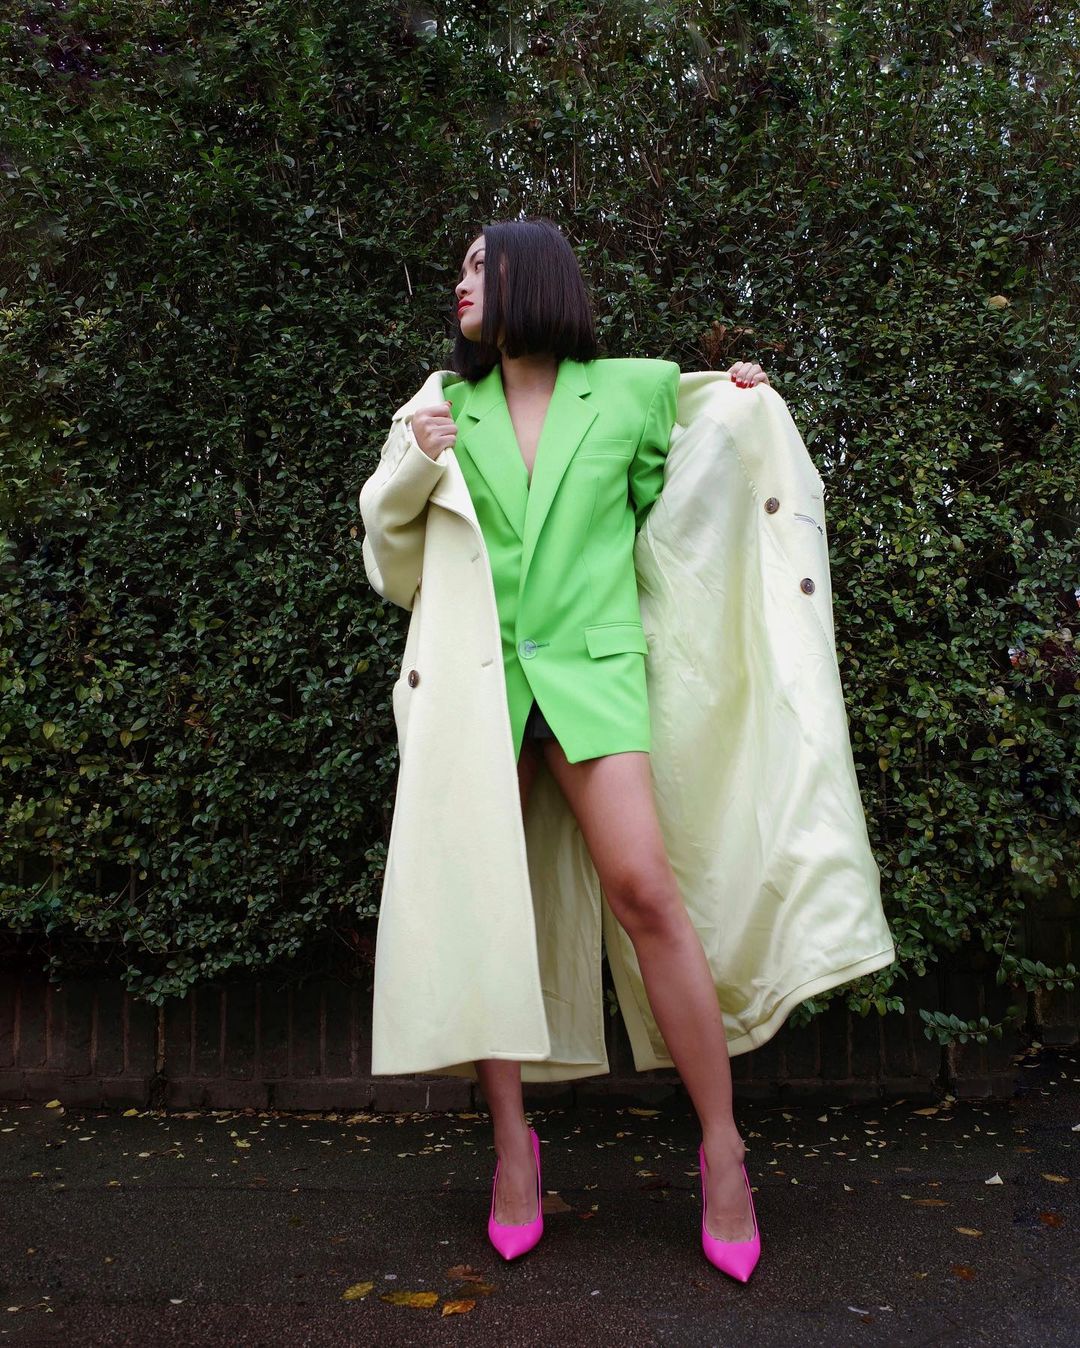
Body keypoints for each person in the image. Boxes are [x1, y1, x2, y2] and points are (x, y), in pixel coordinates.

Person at [397, 217, 769, 1278]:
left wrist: (742, 402)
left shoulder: (638, 388)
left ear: (535, 274)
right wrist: (415, 463)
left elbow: (692, 494)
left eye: (480, 263)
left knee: (647, 893)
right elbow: (395, 552)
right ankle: (514, 1150)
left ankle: (724, 1148)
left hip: (596, 679)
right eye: (460, 266)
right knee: (488, 909)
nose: (461, 281)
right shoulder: (443, 404)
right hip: (482, 688)